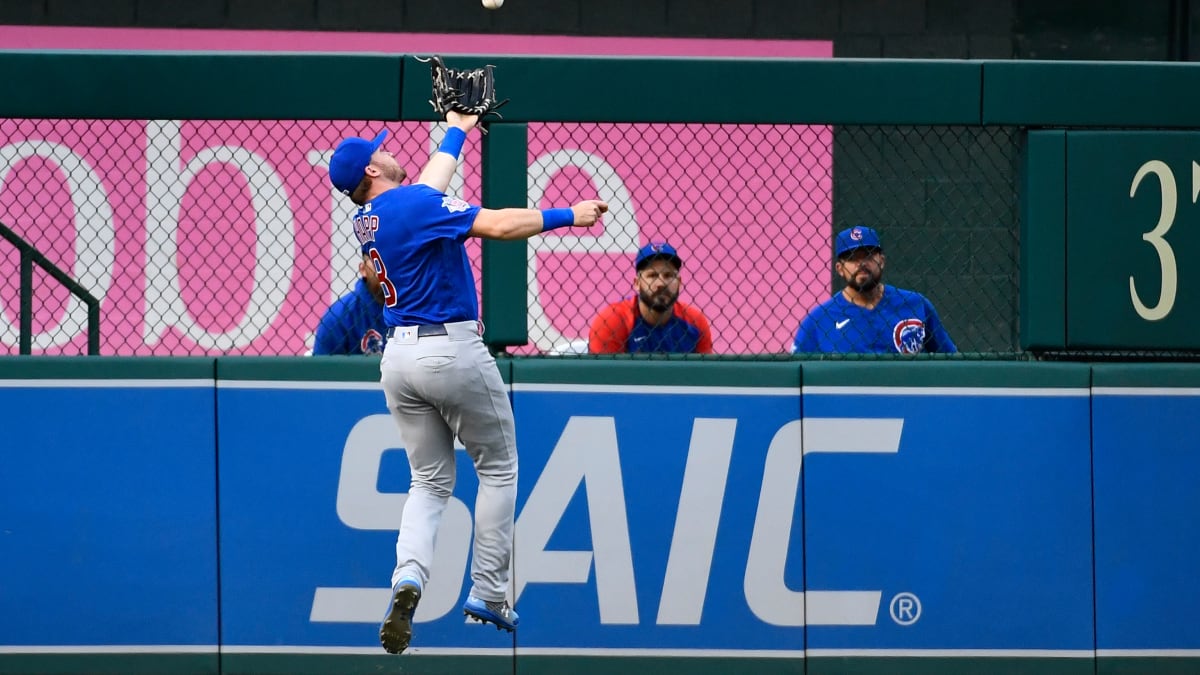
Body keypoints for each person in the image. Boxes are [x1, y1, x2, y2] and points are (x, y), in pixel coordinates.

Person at [328, 112, 607, 655]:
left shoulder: (372, 217)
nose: (390, 152)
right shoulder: (410, 204)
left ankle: (407, 579)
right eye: (382, 151)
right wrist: (569, 214)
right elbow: (500, 226)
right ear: (373, 167)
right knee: (498, 468)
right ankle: (489, 591)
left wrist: (456, 126)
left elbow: (427, 189)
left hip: (399, 359)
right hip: (448, 349)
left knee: (429, 483)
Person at [792, 225, 956, 354]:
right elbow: (797, 375)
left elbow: (950, 360)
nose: (861, 263)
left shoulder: (916, 304)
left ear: (882, 261)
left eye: (868, 255)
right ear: (839, 268)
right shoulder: (819, 320)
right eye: (851, 258)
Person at [588, 242, 714, 354]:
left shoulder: (695, 322)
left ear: (680, 282)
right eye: (652, 275)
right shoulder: (612, 321)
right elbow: (603, 378)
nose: (661, 283)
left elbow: (707, 376)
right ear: (637, 283)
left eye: (668, 275)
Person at [311, 252, 387, 355]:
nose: (386, 267)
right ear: (363, 269)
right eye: (378, 261)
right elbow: (321, 369)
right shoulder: (338, 316)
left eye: (392, 258)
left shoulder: (415, 307)